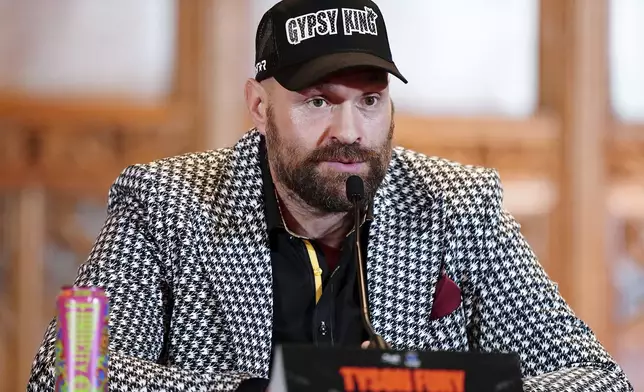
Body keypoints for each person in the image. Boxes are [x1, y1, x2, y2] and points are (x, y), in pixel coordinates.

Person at [28, 0, 633, 391]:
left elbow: (594, 378)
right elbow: (69, 371)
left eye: (369, 101)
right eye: (318, 101)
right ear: (260, 107)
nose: (349, 133)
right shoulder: (163, 204)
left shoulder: (458, 207)